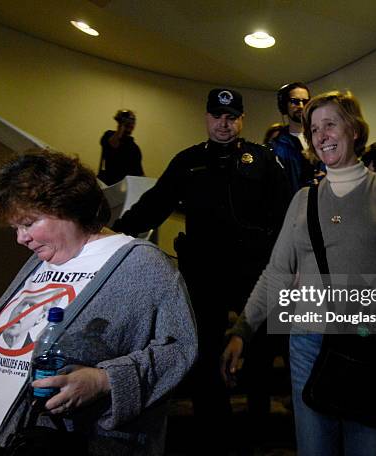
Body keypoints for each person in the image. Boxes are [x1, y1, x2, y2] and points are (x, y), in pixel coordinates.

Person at [221, 91, 376, 455]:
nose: (321, 134)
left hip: (374, 347)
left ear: (354, 130)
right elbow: (277, 273)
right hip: (309, 344)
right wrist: (241, 330)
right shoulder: (302, 201)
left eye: (330, 124)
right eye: (314, 128)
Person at [0, 150, 197, 455]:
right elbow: (18, 335)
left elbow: (180, 349)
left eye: (28, 223)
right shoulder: (41, 261)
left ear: (68, 206)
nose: (21, 238)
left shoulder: (142, 264)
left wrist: (104, 380)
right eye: (15, 228)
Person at [112, 88, 291, 451]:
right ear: (207, 118)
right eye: (217, 116)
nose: (224, 124)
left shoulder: (263, 160)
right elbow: (154, 204)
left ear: (241, 120)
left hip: (252, 273)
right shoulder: (187, 161)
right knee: (204, 352)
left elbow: (286, 215)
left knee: (259, 350)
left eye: (231, 117)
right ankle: (215, 435)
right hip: (204, 273)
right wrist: (113, 235)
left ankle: (258, 430)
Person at [270, 82, 325, 194]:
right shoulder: (277, 146)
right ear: (284, 105)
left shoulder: (324, 137)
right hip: (296, 207)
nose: (301, 106)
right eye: (295, 101)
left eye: (305, 102)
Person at [97, 109, 144, 186]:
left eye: (133, 120)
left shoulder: (134, 148)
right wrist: (122, 126)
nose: (130, 123)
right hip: (105, 185)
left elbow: (139, 173)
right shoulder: (108, 135)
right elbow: (112, 145)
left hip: (123, 188)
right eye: (128, 120)